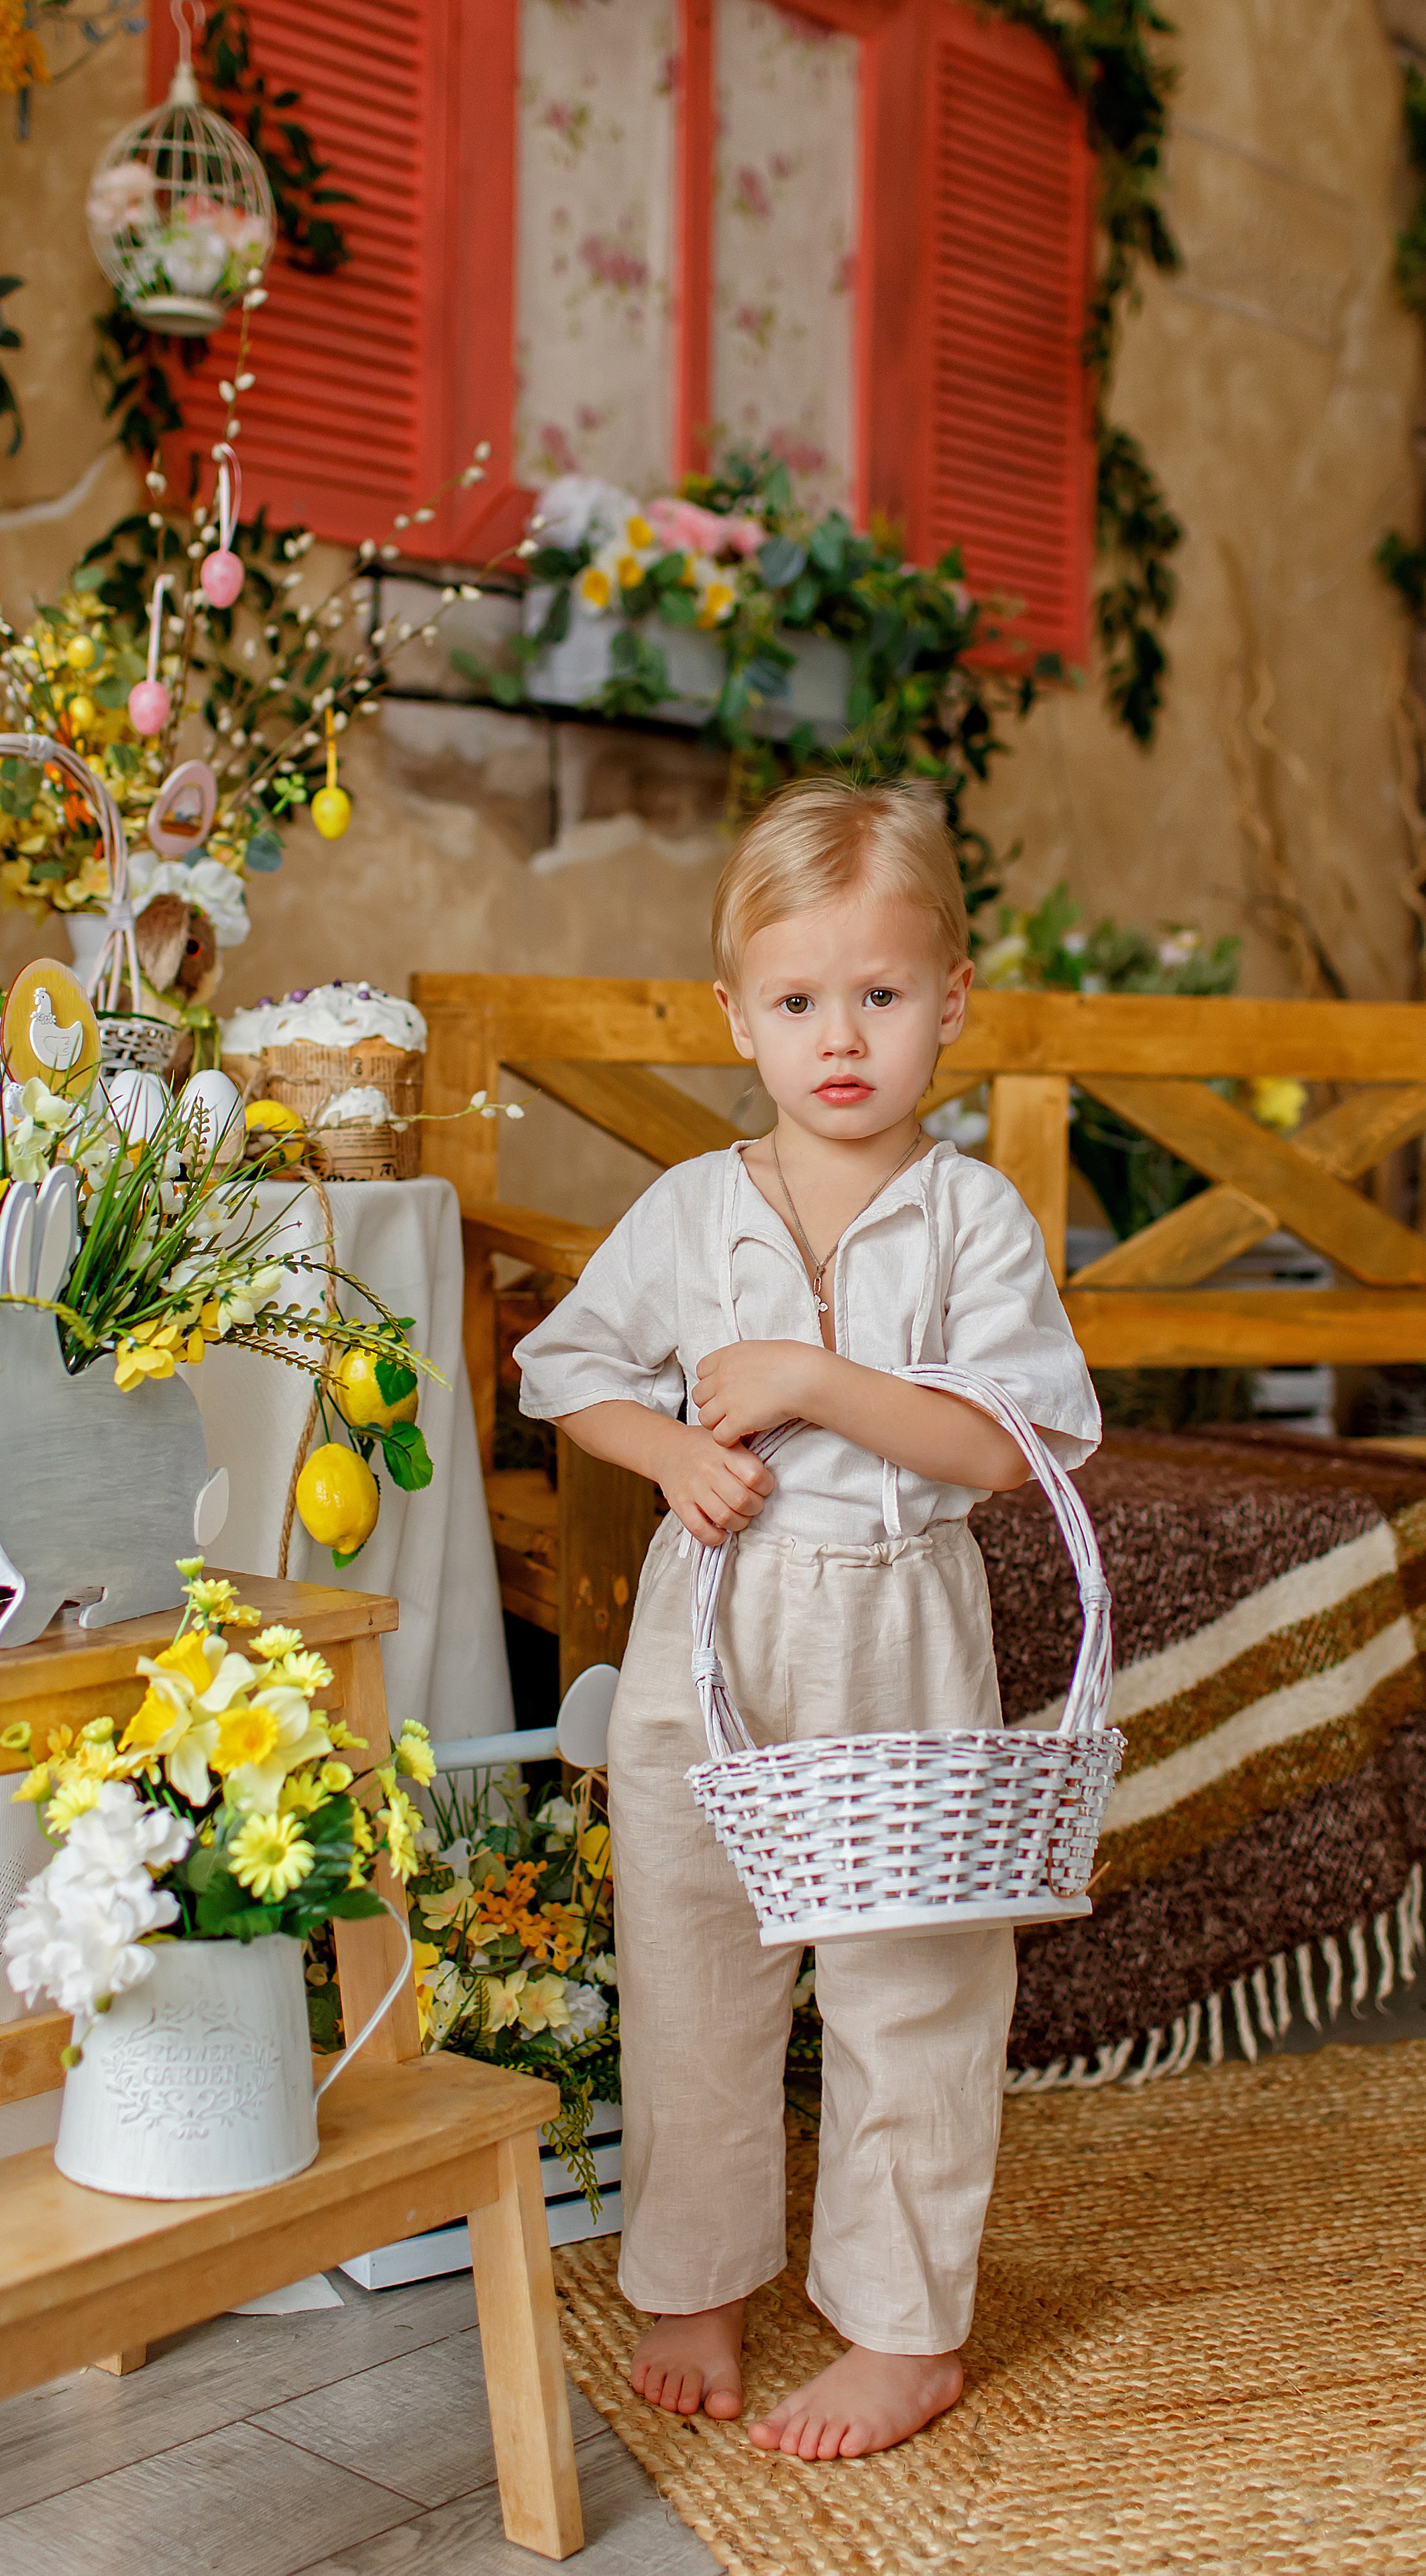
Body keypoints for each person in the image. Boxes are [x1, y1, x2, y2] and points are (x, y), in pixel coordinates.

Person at [514, 777, 1101, 2461]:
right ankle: (693, 2275)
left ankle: (903, 2330)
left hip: (897, 1630)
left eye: (879, 995)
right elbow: (562, 1367)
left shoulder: (967, 1215)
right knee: (694, 1957)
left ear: (949, 1004)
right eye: (795, 1001)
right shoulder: (693, 1210)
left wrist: (817, 1382)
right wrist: (672, 1451)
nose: (838, 1037)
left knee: (907, 1974)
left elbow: (1007, 1443)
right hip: (718, 1628)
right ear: (734, 1019)